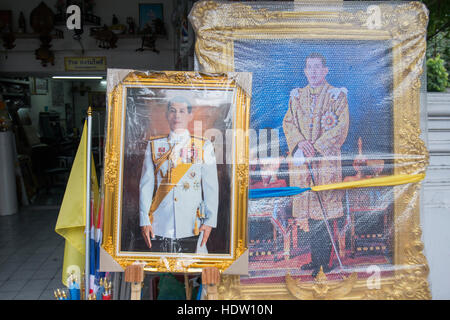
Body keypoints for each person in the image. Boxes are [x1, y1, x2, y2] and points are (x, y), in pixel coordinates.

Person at [282, 53, 349, 277]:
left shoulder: (336, 96)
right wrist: (301, 142)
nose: (313, 72)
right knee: (310, 215)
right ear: (305, 71)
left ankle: (325, 262)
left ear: (325, 70)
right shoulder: (297, 96)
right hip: (303, 165)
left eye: (317, 67)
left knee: (325, 214)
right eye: (309, 67)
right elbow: (288, 122)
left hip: (325, 164)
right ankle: (314, 259)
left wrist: (316, 146)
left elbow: (341, 127)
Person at [139, 96, 219, 254]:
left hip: (192, 224)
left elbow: (211, 188)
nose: (177, 116)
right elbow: (146, 185)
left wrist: (210, 221)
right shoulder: (155, 145)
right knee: (161, 273)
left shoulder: (204, 146)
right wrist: (144, 219)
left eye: (182, 111)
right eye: (173, 111)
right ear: (167, 115)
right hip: (160, 223)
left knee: (194, 273)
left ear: (190, 115)